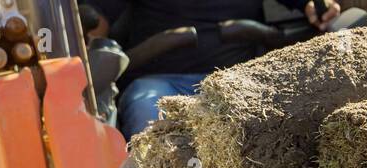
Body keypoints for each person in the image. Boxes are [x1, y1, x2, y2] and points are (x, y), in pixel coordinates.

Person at [89, 1, 342, 139]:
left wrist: (321, 6)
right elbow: (95, 20)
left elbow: (314, 6)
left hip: (236, 80)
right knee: (148, 116)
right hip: (158, 81)